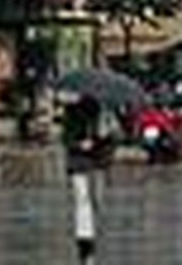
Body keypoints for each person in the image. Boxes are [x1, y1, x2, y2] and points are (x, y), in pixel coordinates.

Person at [64, 95, 111, 264]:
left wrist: (102, 138)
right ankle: (84, 240)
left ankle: (89, 235)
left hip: (97, 163)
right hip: (78, 163)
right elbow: (66, 139)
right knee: (82, 200)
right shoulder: (71, 113)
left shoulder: (103, 114)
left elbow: (109, 141)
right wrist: (80, 144)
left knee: (96, 201)